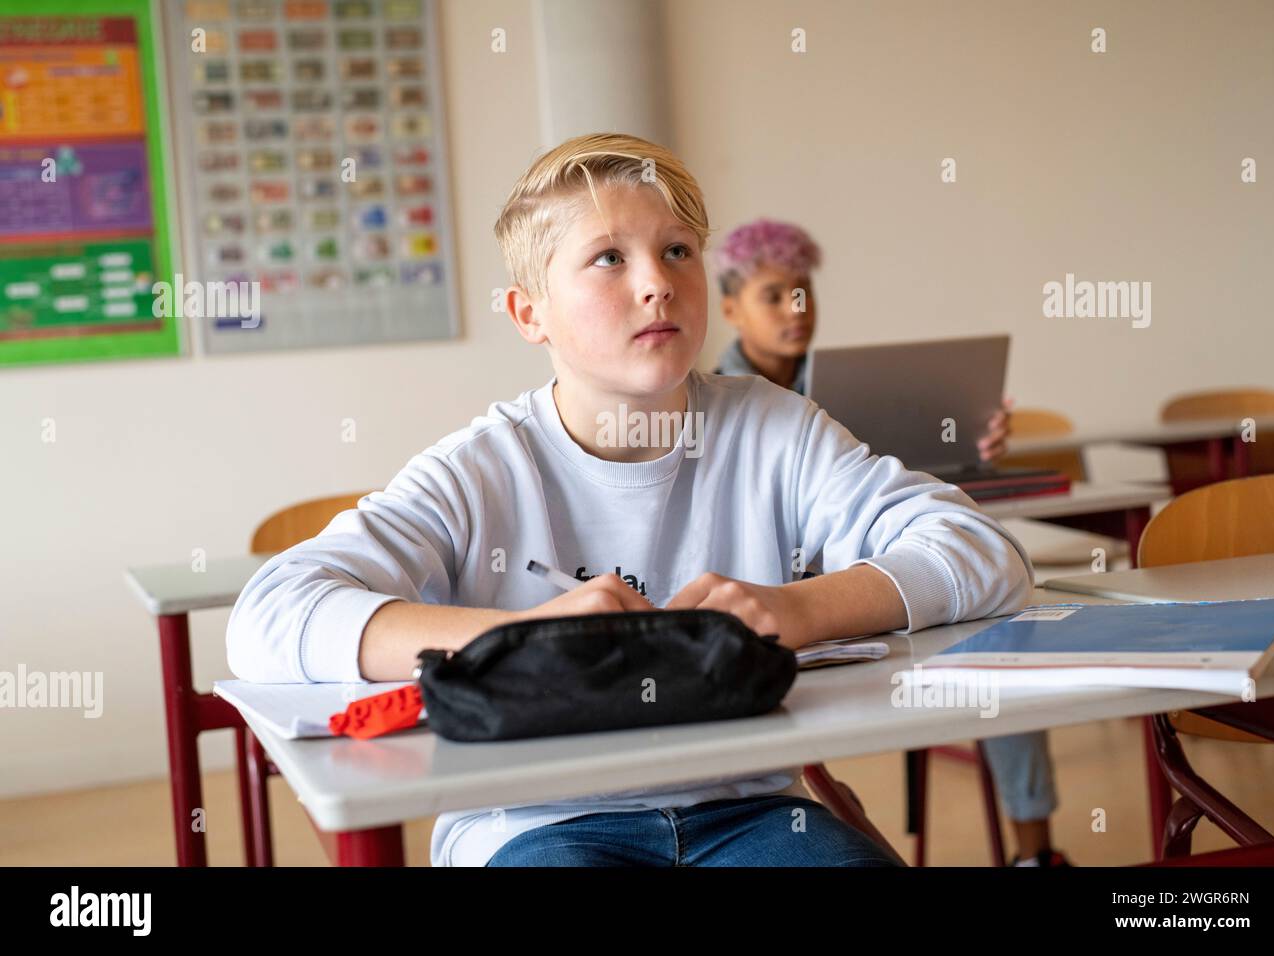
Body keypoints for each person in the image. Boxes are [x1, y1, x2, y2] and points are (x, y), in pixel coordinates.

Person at [227, 133, 1034, 867]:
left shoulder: (772, 427)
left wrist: (800, 608)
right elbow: (269, 616)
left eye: (678, 250)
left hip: (748, 809)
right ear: (528, 313)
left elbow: (981, 553)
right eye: (609, 259)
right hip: (535, 821)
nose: (657, 284)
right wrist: (521, 638)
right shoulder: (480, 469)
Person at [712, 218, 1068, 867]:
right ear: (731, 309)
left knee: (1001, 651)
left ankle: (1034, 857)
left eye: (805, 292)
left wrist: (971, 450)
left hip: (881, 585)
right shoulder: (710, 409)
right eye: (775, 295)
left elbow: (900, 494)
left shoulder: (846, 387)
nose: (798, 310)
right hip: (793, 611)